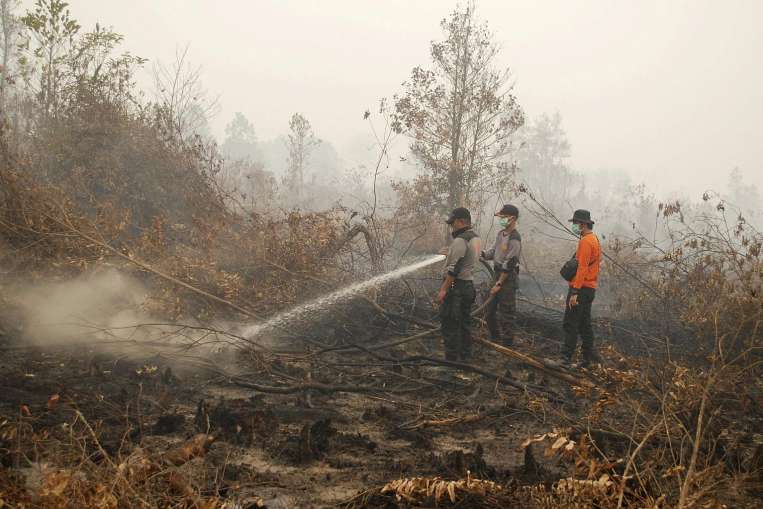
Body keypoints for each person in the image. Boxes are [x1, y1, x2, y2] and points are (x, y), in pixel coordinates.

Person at [437, 207, 480, 362]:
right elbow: (467, 256)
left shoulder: (460, 240)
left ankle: (451, 360)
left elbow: (454, 269)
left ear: (461, 221)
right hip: (468, 286)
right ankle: (465, 358)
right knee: (464, 323)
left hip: (456, 288)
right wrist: (450, 251)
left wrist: (443, 289)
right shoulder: (474, 237)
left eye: (453, 223)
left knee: (450, 324)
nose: (451, 226)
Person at [562, 209, 602, 367]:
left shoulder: (585, 242)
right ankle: (587, 358)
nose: (574, 226)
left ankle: (564, 358)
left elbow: (582, 268)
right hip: (590, 289)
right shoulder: (594, 239)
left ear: (583, 224)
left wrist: (574, 292)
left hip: (581, 288)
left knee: (570, 323)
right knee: (584, 324)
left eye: (575, 223)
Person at [481, 204, 521, 346]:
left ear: (513, 218)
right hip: (496, 274)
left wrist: (499, 284)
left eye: (503, 217)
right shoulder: (501, 234)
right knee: (488, 308)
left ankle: (507, 344)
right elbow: (493, 251)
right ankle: (495, 337)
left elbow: (510, 263)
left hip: (507, 278)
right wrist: (482, 254)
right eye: (501, 217)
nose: (501, 220)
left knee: (507, 312)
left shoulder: (515, 238)